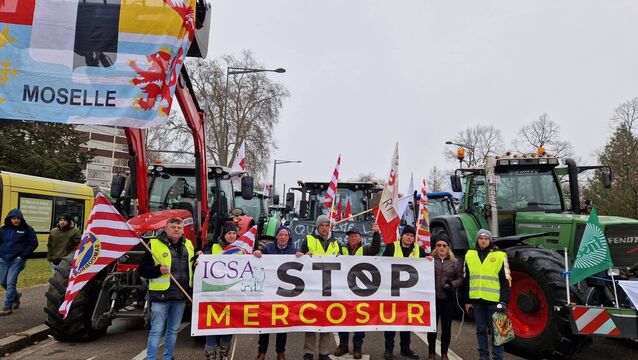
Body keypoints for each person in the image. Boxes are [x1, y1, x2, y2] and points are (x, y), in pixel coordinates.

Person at [138, 218, 194, 360]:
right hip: (160, 296)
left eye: (179, 227)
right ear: (166, 228)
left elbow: (192, 268)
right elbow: (142, 270)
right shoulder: (154, 244)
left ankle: (168, 357)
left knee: (173, 330)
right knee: (156, 331)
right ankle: (151, 358)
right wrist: (157, 270)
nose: (176, 230)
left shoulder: (189, 245)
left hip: (180, 295)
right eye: (173, 227)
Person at [333, 223, 381, 359]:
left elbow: (376, 248)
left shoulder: (365, 249)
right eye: (351, 236)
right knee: (343, 318)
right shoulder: (341, 249)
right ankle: (343, 345)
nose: (353, 238)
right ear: (347, 238)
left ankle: (357, 346)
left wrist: (376, 234)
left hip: (361, 291)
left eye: (355, 236)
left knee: (360, 319)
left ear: (360, 238)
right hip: (344, 290)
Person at [253, 225, 300, 360]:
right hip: (269, 291)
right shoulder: (268, 249)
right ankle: (262, 352)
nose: (283, 237)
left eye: (286, 235)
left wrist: (302, 257)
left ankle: (281, 352)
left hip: (284, 293)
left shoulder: (293, 251)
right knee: (265, 322)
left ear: (289, 237)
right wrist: (257, 254)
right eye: (281, 235)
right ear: (276, 237)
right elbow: (259, 259)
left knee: (282, 324)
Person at [464, 229, 511, 360]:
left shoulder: (500, 255)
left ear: (490, 240)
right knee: (480, 330)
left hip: (495, 303)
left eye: (486, 238)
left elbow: (506, 281)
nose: (483, 240)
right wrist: (467, 301)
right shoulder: (469, 255)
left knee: (498, 332)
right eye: (481, 238)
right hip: (477, 301)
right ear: (477, 240)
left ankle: (497, 357)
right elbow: (467, 280)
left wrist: (504, 302)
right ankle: (483, 357)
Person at [300, 214, 342, 360]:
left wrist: (340, 257)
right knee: (311, 319)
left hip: (328, 287)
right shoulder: (308, 239)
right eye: (322, 225)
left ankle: (324, 352)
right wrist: (305, 255)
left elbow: (343, 262)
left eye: (327, 225)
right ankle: (309, 352)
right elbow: (300, 258)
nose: (324, 228)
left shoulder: (336, 242)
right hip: (312, 286)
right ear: (317, 227)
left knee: (326, 320)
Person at [201, 221, 242, 360]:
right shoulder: (214, 247)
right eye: (229, 233)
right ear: (224, 234)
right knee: (212, 324)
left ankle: (224, 355)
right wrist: (198, 258)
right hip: (214, 294)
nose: (231, 236)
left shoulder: (242, 249)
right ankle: (210, 355)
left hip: (232, 294)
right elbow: (201, 262)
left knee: (228, 325)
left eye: (234, 233)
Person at [382, 224, 422, 360]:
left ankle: (405, 348)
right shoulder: (391, 247)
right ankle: (389, 349)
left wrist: (428, 259)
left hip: (409, 293)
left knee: (406, 322)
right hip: (392, 292)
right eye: (407, 235)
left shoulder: (418, 250)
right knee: (390, 322)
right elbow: (381, 264)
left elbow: (425, 266)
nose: (409, 238)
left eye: (412, 236)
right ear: (402, 235)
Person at [426, 234, 463, 360]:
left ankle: (444, 353)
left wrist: (451, 284)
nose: (441, 247)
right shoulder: (429, 260)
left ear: (448, 248)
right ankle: (431, 353)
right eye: (439, 245)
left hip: (448, 300)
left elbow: (461, 279)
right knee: (432, 329)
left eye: (444, 245)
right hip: (433, 299)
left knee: (446, 328)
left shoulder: (455, 262)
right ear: (435, 247)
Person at [0, 209, 37, 316]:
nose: (16, 220)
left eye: (18, 218)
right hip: (3, 259)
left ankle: (7, 307)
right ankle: (16, 296)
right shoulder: (3, 230)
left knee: (10, 281)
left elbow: (33, 243)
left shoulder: (27, 229)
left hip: (17, 260)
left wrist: (22, 256)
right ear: (10, 219)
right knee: (3, 282)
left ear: (21, 219)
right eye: (14, 218)